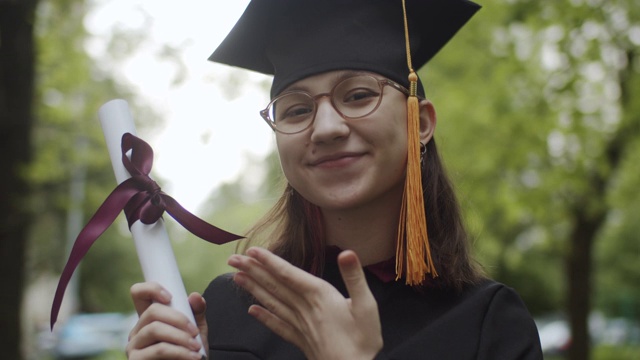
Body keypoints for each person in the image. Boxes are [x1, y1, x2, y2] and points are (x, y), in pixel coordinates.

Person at [126, 0, 543, 359]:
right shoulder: (227, 312)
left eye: (359, 95)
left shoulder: (489, 326)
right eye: (296, 110)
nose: (325, 128)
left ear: (420, 122)